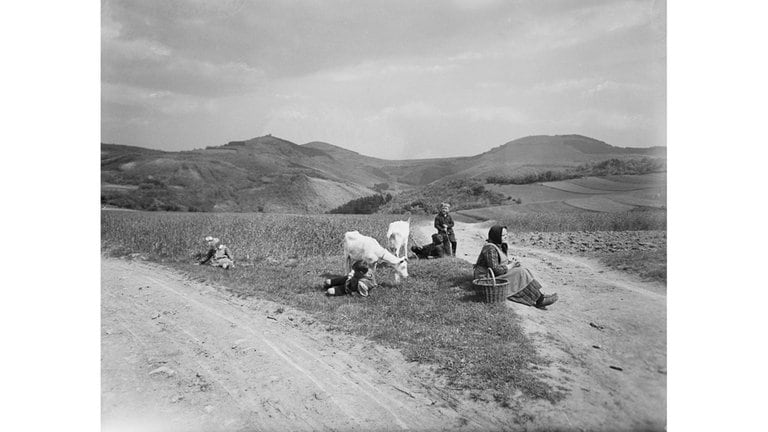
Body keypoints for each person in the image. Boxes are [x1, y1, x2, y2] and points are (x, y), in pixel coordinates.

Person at [473, 225, 558, 308]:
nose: (506, 237)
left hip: (494, 274)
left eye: (506, 235)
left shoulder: (498, 246)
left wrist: (513, 264)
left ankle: (539, 295)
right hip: (486, 277)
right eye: (503, 235)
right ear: (496, 236)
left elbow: (500, 263)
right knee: (520, 273)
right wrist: (511, 265)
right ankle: (540, 300)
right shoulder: (490, 248)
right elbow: (496, 269)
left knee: (522, 270)